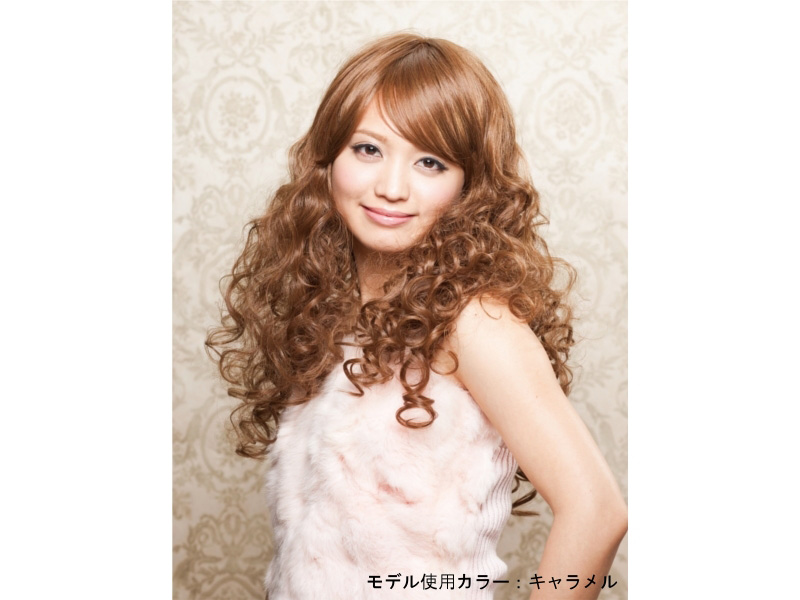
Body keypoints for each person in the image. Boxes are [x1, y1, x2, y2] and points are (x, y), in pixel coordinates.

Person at [207, 32, 627, 600]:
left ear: (468, 185)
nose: (391, 187)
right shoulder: (336, 310)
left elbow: (597, 511)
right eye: (368, 150)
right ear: (328, 156)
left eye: (430, 161)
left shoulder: (474, 323)